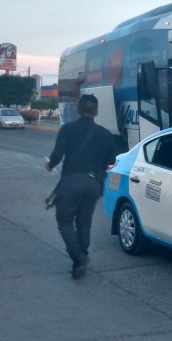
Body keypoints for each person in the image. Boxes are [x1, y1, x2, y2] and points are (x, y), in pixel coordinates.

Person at [46, 94, 116, 279]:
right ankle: (81, 259)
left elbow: (57, 155)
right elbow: (112, 162)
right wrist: (102, 173)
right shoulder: (105, 134)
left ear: (77, 109)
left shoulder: (67, 129)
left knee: (64, 221)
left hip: (71, 182)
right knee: (84, 222)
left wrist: (50, 165)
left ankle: (78, 257)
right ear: (96, 112)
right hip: (93, 184)